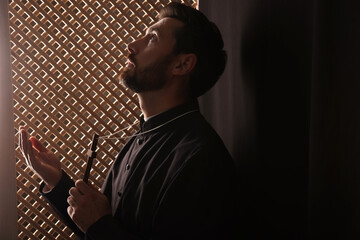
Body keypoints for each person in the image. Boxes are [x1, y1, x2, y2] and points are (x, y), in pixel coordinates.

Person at [19, 2, 237, 239]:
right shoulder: (142, 136)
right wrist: (56, 181)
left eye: (152, 38)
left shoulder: (200, 159)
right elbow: (95, 228)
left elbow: (100, 227)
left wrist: (99, 224)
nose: (131, 45)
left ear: (182, 64)